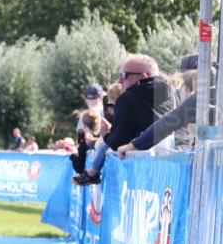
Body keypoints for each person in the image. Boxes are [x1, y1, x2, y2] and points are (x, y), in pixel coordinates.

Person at [74, 54, 178, 184]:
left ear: (143, 76)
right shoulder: (173, 95)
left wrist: (106, 133)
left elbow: (119, 142)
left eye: (124, 75)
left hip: (138, 173)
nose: (120, 81)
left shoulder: (127, 98)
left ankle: (92, 174)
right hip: (168, 167)